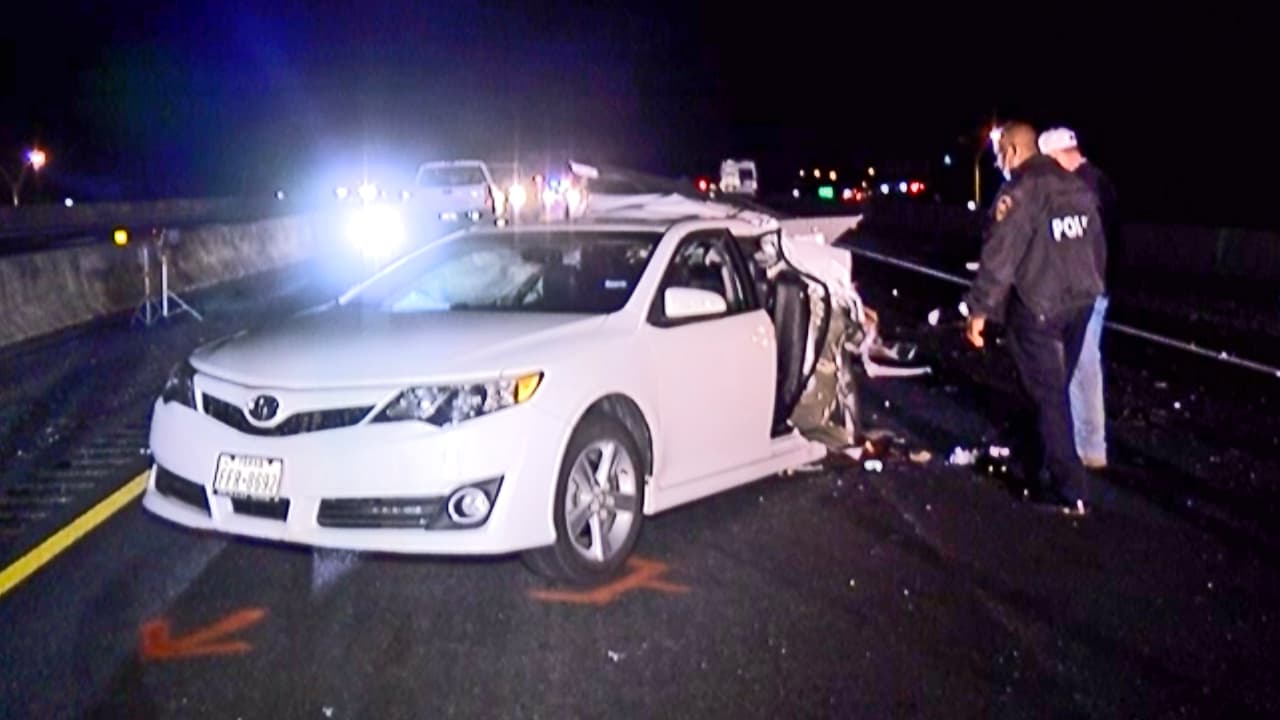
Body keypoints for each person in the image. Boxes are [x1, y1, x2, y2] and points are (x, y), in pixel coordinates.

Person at [963, 121, 1105, 515]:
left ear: (1011, 151)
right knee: (1050, 393)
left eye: (999, 154)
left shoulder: (1020, 191)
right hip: (1080, 303)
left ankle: (1070, 490)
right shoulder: (1076, 186)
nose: (998, 163)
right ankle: (1031, 465)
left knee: (1048, 397)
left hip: (1039, 308)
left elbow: (999, 258)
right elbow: (1096, 246)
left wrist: (979, 310)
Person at [1038, 127, 1117, 469]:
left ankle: (1092, 446)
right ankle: (1078, 442)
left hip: (1087, 288)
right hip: (1091, 285)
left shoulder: (1085, 187)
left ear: (1058, 156)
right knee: (1073, 363)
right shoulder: (1096, 181)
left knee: (1082, 363)